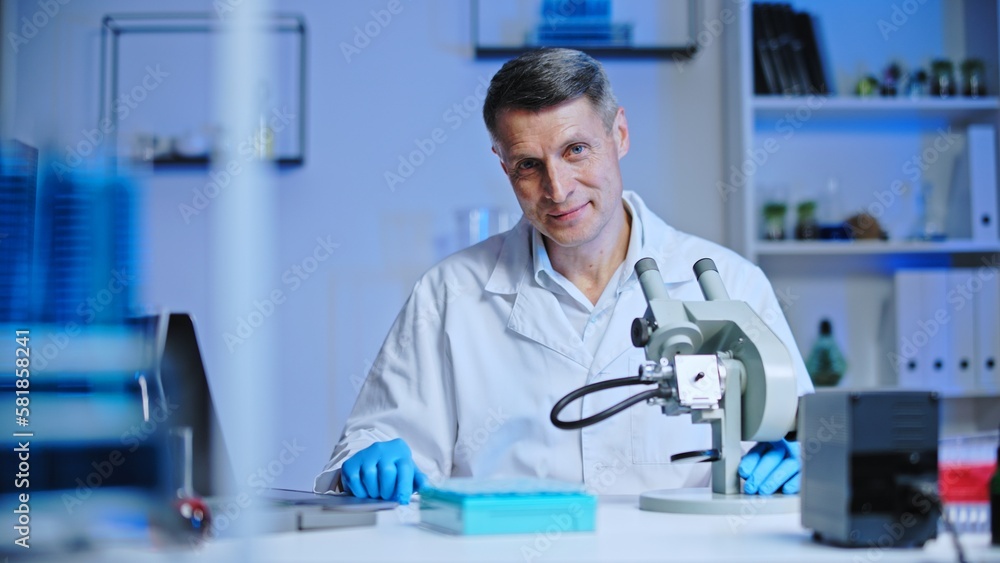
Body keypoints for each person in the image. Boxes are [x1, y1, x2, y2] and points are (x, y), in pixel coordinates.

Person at [315, 48, 813, 504]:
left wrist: (803, 459)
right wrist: (367, 462)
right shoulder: (449, 295)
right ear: (503, 164)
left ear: (618, 134)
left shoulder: (732, 284)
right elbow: (371, 442)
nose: (558, 188)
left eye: (576, 150)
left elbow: (808, 436)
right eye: (529, 165)